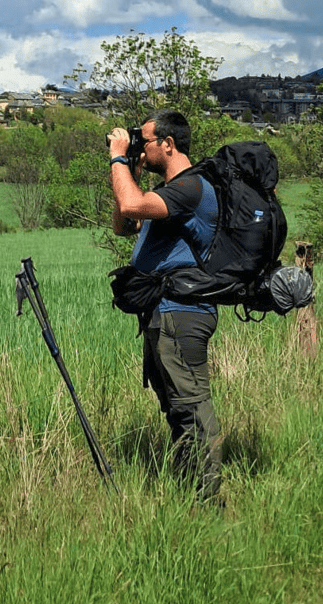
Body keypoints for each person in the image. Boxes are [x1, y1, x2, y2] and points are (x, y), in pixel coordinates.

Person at [108, 110, 223, 500]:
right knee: (176, 407)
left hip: (183, 311)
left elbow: (131, 208)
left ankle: (208, 498)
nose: (141, 147)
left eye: (146, 141)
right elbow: (123, 223)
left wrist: (118, 158)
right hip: (164, 312)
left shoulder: (190, 188)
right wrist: (132, 175)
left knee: (192, 405)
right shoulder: (168, 194)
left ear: (169, 144)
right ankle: (189, 485)